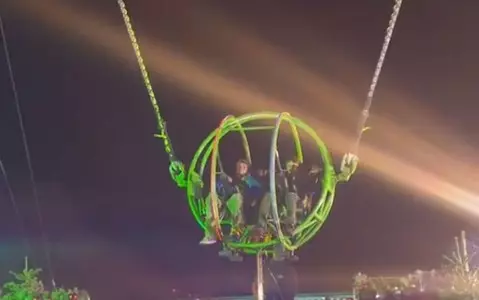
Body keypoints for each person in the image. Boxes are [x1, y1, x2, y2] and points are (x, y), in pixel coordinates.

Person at [200, 159, 261, 245]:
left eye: (244, 167)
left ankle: (237, 232)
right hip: (226, 209)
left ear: (247, 169)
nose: (241, 168)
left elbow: (257, 192)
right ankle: (211, 234)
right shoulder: (231, 179)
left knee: (236, 197)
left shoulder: (250, 180)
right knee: (212, 197)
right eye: (239, 166)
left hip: (240, 211)